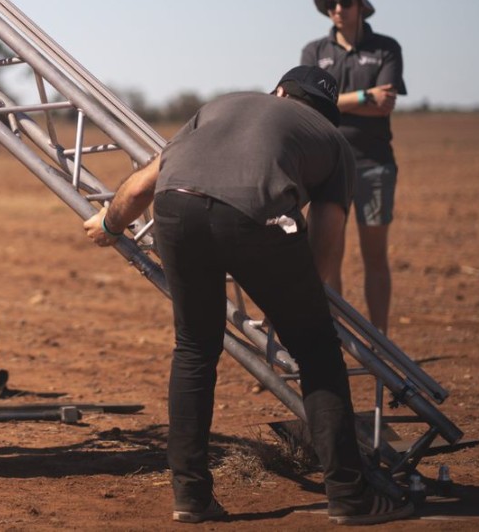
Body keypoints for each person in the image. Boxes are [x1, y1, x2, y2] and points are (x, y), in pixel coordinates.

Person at [83, 67, 413, 526]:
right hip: (257, 215)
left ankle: (191, 497)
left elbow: (141, 185)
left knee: (195, 348)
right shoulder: (333, 142)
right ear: (325, 114)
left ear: (278, 91)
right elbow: (329, 234)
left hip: (175, 207)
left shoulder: (220, 105)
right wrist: (300, 305)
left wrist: (110, 223)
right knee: (318, 353)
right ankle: (349, 495)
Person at [301, 0, 406, 333]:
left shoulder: (386, 48)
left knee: (375, 257)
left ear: (362, 6)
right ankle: (339, 343)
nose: (338, 9)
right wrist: (364, 97)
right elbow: (311, 106)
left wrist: (336, 102)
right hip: (327, 168)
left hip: (374, 165)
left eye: (345, 1)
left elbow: (386, 104)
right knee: (330, 259)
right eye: (331, 3)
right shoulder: (314, 51)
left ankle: (382, 344)